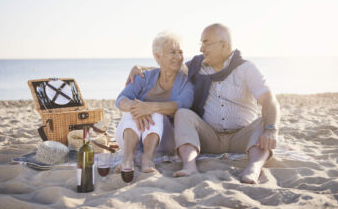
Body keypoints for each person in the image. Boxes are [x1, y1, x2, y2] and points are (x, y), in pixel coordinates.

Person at [127, 23, 280, 183]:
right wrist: (140, 68)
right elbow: (168, 68)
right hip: (209, 138)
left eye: (206, 43)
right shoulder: (197, 66)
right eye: (201, 43)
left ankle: (254, 168)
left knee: (267, 121)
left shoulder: (247, 69)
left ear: (224, 45)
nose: (201, 49)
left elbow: (269, 100)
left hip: (242, 138)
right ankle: (189, 165)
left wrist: (271, 130)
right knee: (183, 113)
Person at [115, 31, 194, 173]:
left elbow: (182, 104)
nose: (178, 57)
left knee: (157, 114)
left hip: (163, 139)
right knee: (131, 111)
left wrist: (149, 108)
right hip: (130, 137)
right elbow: (121, 99)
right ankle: (127, 159)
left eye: (180, 52)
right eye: (173, 52)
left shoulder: (186, 81)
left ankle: (147, 159)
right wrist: (136, 108)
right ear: (158, 56)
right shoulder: (143, 77)